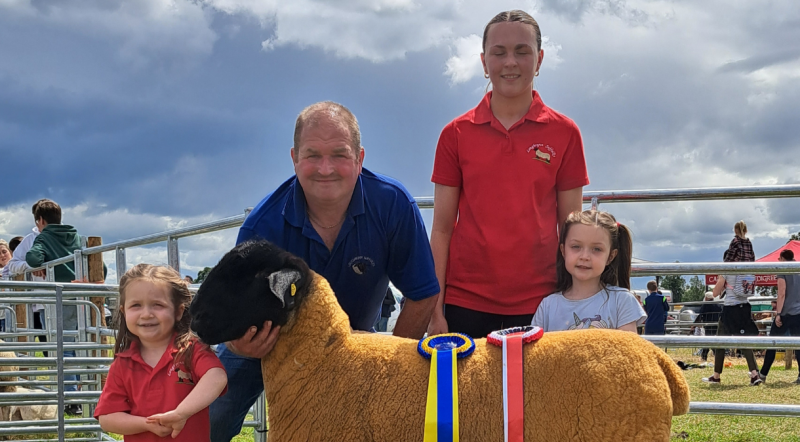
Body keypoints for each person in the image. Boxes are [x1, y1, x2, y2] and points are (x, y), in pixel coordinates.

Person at [209, 101, 440, 442]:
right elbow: (234, 313)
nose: (326, 168)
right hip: (273, 343)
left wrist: (388, 365)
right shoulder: (262, 227)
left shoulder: (392, 204)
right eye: (312, 154)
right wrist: (243, 344)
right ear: (294, 158)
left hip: (356, 338)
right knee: (212, 414)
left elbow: (422, 293)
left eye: (340, 154)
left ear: (360, 159)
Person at [428, 10, 589, 338]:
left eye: (522, 51)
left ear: (540, 59)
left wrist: (575, 303)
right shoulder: (454, 134)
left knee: (537, 393)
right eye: (498, 53)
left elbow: (571, 230)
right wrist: (435, 310)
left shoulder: (565, 133)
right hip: (465, 300)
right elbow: (442, 230)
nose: (510, 62)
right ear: (484, 62)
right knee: (465, 393)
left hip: (542, 301)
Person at [95, 264, 227, 441]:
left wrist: (181, 413)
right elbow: (107, 419)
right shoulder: (122, 364)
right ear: (123, 312)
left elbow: (216, 377)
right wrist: (146, 424)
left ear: (179, 311)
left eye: (157, 305)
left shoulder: (191, 351)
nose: (146, 314)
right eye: (136, 305)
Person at [25, 198, 106, 413]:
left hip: (60, 297)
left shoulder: (44, 237)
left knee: (64, 347)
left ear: (40, 220)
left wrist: (42, 265)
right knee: (83, 344)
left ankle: (72, 398)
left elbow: (33, 258)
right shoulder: (78, 237)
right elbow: (101, 267)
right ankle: (86, 393)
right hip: (82, 297)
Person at [531, 210, 645, 332]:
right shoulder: (547, 306)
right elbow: (537, 350)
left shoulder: (622, 301)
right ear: (563, 251)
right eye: (576, 246)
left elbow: (628, 349)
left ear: (611, 256)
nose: (585, 256)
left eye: (596, 249)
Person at [702, 220, 762, 385]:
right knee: (744, 341)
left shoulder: (728, 271)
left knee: (720, 341)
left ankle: (716, 375)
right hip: (744, 307)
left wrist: (712, 291)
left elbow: (715, 293)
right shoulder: (748, 270)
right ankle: (754, 374)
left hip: (730, 309)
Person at [759, 249, 800, 384]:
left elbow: (781, 293)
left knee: (772, 343)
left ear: (782, 258)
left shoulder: (783, 270)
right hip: (798, 312)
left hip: (786, 313)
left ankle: (763, 374)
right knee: (798, 345)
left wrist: (778, 314)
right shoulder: (798, 268)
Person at [693, 292, 722, 361]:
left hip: (708, 325)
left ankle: (705, 355)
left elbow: (701, 314)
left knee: (709, 340)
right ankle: (710, 354)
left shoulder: (705, 305)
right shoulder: (718, 305)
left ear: (706, 298)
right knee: (712, 340)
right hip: (716, 325)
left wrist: (694, 325)